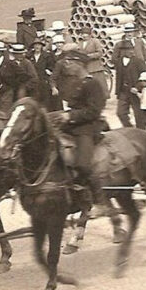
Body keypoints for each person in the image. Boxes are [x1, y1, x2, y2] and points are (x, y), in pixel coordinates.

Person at [55, 54, 108, 212]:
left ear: (79, 65)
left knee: (83, 164)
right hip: (72, 125)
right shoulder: (77, 82)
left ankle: (100, 200)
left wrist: (71, 116)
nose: (67, 65)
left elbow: (94, 111)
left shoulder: (93, 84)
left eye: (70, 62)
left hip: (88, 127)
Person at [113, 40, 145, 128]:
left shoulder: (138, 62)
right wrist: (118, 92)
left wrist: (138, 88)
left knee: (139, 115)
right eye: (127, 49)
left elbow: (144, 76)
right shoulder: (119, 62)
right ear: (122, 51)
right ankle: (129, 129)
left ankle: (142, 133)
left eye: (132, 49)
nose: (131, 51)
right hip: (123, 91)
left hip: (135, 92)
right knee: (120, 113)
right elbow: (118, 77)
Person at [29, 38, 57, 108]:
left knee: (44, 101)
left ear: (42, 46)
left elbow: (52, 67)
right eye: (35, 45)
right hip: (32, 82)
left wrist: (48, 70)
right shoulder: (29, 56)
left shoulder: (47, 56)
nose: (37, 47)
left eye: (39, 45)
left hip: (43, 81)